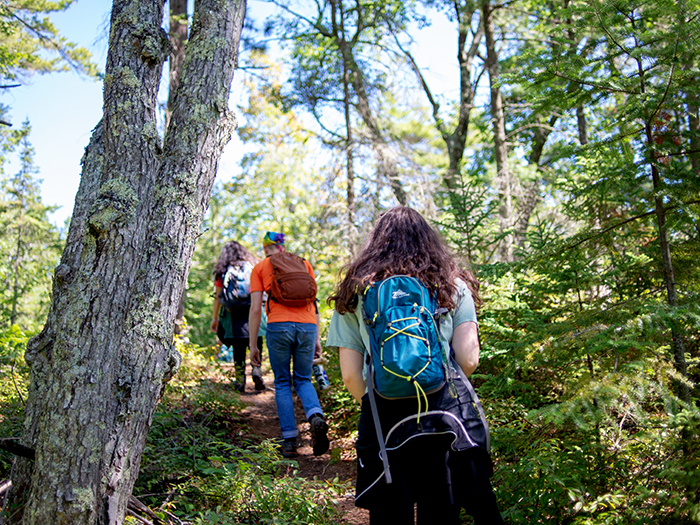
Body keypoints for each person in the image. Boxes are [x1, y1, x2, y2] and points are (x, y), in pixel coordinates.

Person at [325, 206, 503, 525]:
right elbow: (469, 358)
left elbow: (351, 376)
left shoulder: (357, 290)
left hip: (384, 419)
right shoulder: (452, 284)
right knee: (441, 512)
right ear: (428, 240)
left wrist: (382, 397)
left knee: (391, 515)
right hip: (444, 414)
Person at [248, 231, 330, 458]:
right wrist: (317, 339)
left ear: (265, 248)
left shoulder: (260, 268)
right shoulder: (304, 263)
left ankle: (290, 441)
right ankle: (315, 417)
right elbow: (314, 304)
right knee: (303, 379)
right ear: (282, 246)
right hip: (307, 326)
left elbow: (255, 309)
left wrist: (253, 345)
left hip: (278, 326)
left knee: (283, 382)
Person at [211, 241, 265, 392]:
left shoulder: (223, 271)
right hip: (253, 311)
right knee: (256, 341)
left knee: (238, 348)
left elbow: (217, 297)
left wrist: (215, 318)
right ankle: (256, 370)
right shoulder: (253, 267)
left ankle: (240, 380)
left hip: (232, 314)